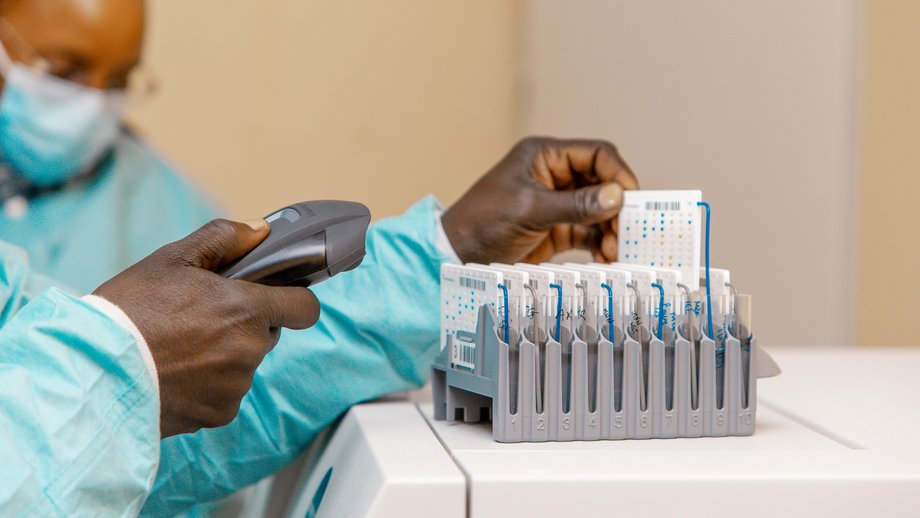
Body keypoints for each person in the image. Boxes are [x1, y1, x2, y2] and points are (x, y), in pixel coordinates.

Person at [0, 0, 639, 515]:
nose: (90, 102)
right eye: (63, 71)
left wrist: (449, 249)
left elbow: (189, 404)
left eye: (115, 80)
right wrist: (126, 369)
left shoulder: (161, 200)